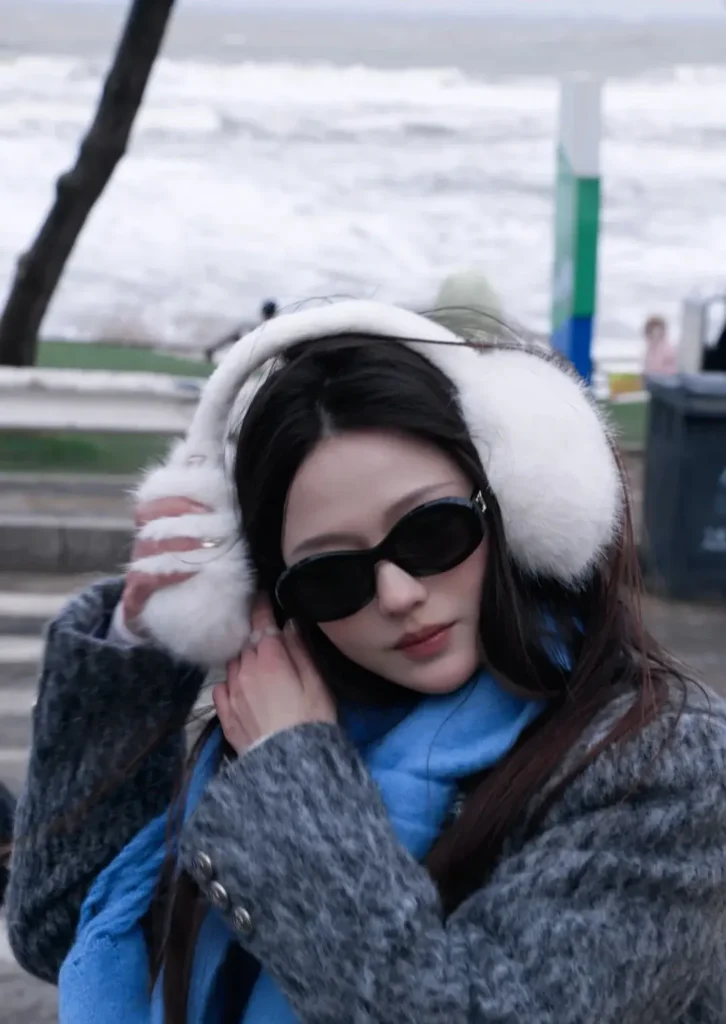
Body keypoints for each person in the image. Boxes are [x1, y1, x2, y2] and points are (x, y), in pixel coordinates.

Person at [6, 301, 726, 1024]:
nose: (398, 594)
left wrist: (293, 781)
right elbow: (60, 928)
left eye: (433, 532)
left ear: (515, 507)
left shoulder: (658, 762)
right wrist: (143, 645)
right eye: (331, 575)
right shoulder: (280, 706)